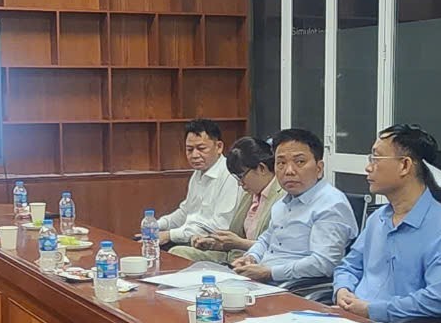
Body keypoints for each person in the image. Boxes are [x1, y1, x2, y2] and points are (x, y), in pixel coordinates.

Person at [331, 124, 441, 323]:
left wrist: (371, 310)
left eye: (376, 158)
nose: (368, 167)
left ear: (404, 165)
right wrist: (342, 290)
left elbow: (438, 300)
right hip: (351, 319)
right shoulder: (377, 218)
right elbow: (349, 266)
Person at [232, 127, 356, 289]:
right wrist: (251, 257)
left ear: (319, 168)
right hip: (263, 282)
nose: (289, 171)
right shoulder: (283, 202)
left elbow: (324, 263)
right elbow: (266, 239)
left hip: (293, 288)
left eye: (300, 162)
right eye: (281, 163)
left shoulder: (331, 204)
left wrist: (270, 272)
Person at [172, 136, 280, 265]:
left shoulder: (282, 197)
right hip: (232, 257)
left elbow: (279, 248)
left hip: (258, 263)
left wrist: (239, 243)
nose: (240, 183)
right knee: (177, 253)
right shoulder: (250, 194)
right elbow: (235, 237)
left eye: (241, 176)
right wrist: (214, 243)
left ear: (262, 168)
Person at [149, 118, 239, 248]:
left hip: (214, 245)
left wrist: (170, 235)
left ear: (219, 147)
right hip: (191, 237)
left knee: (167, 249)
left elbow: (219, 226)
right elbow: (185, 212)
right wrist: (157, 225)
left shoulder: (230, 174)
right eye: (189, 149)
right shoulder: (198, 173)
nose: (194, 155)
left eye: (201, 148)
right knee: (144, 242)